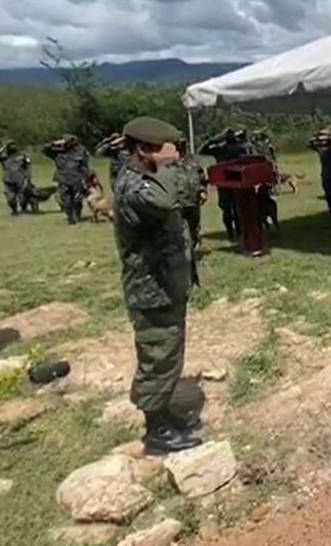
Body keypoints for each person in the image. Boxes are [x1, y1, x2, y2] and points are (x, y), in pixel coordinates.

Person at [113, 116, 203, 454]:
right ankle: (156, 430)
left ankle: (163, 412)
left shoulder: (152, 180)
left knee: (168, 352)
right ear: (141, 150)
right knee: (157, 354)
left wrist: (176, 166)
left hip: (167, 283)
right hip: (150, 289)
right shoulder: (133, 185)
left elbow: (189, 191)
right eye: (165, 150)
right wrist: (167, 166)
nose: (174, 156)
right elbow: (166, 201)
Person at [199, 128, 253, 240]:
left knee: (227, 209)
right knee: (237, 207)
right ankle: (239, 231)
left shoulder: (220, 149)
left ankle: (231, 233)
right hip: (236, 180)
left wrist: (214, 140)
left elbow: (202, 151)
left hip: (223, 181)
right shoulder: (240, 148)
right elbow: (249, 149)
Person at [42, 134, 91, 225]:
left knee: (77, 200)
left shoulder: (81, 151)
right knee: (66, 200)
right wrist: (54, 143)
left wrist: (85, 177)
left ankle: (77, 214)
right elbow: (44, 149)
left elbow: (85, 166)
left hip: (77, 179)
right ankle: (70, 218)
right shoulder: (58, 151)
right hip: (63, 179)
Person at [0, 141, 33, 215]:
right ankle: (14, 210)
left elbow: (28, 166)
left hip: (21, 179)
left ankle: (24, 209)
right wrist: (1, 149)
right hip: (8, 179)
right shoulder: (4, 157)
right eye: (10, 145)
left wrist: (28, 178)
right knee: (10, 198)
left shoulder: (22, 155)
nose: (13, 147)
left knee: (23, 196)